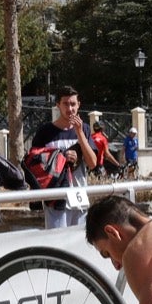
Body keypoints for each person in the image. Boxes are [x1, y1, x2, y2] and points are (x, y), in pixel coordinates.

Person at [28, 85, 97, 228]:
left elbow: (92, 163)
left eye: (73, 104)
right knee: (57, 242)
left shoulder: (84, 129)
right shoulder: (45, 131)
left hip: (79, 195)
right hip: (55, 197)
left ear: (78, 105)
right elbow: (33, 164)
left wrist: (80, 134)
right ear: (58, 105)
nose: (70, 108)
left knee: (78, 242)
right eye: (65, 103)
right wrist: (60, 157)